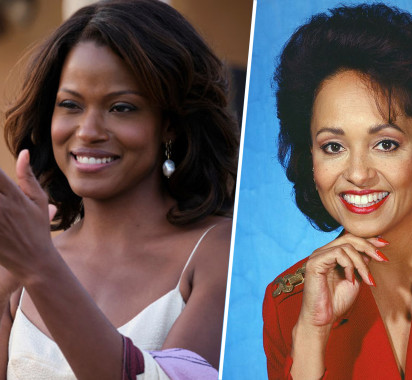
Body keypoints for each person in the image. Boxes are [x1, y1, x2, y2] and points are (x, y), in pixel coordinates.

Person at [0, 0, 238, 378]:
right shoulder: (21, 266)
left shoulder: (221, 255)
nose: (89, 131)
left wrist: (40, 268)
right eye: (70, 105)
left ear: (171, 124)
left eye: (122, 108)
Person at [261, 3, 412, 379]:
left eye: (385, 144)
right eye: (333, 147)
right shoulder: (287, 304)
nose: (357, 174)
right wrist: (311, 335)